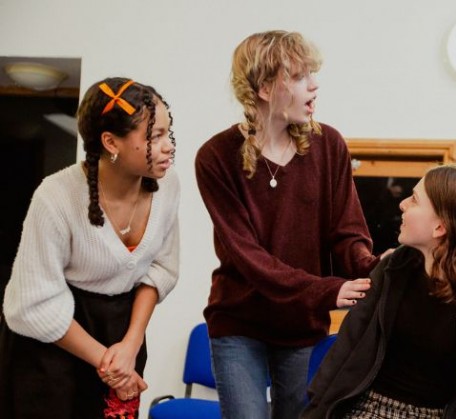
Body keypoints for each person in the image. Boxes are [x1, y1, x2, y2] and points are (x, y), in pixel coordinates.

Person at [195, 30, 380, 419]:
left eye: (312, 73)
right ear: (264, 88)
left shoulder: (328, 145)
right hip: (239, 322)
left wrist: (374, 268)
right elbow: (250, 259)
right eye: (299, 76)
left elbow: (346, 232)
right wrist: (327, 289)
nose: (314, 85)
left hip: (301, 324)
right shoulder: (215, 157)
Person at [303, 165, 456, 419]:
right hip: (365, 410)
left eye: (414, 199)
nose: (402, 204)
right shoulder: (392, 268)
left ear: (440, 228)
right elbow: (345, 353)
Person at [0, 77, 179, 418]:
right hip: (51, 342)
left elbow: (161, 269)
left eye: (167, 133)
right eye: (154, 136)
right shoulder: (54, 197)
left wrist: (130, 345)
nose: (168, 145)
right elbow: (33, 306)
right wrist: (107, 361)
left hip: (121, 336)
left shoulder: (168, 186)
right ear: (111, 142)